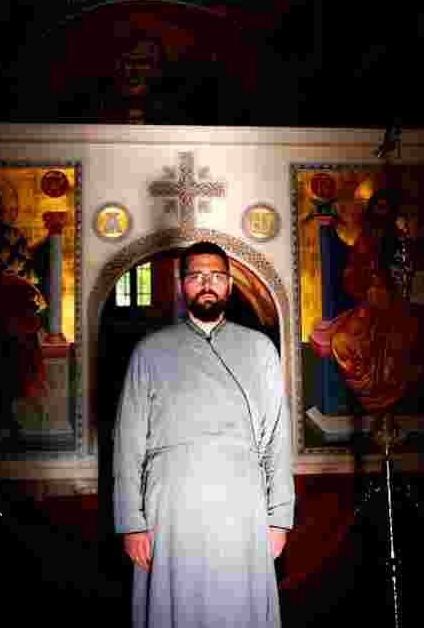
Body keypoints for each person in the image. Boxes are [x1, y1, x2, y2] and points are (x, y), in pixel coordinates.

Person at [113, 241, 295, 628]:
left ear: (229, 285)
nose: (206, 283)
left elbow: (278, 439)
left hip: (242, 506)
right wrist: (131, 522)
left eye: (216, 276)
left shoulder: (260, 349)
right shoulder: (149, 351)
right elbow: (128, 445)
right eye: (196, 276)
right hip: (171, 509)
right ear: (183, 286)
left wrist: (279, 519)